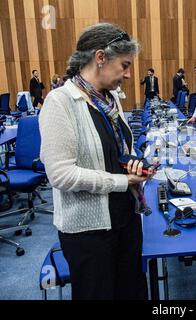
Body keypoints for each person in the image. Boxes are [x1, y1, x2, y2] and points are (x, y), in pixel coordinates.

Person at [39, 23, 154, 300]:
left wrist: (134, 163)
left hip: (126, 219)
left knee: (132, 291)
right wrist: (122, 180)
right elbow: (61, 175)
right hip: (90, 233)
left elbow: (118, 150)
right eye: (124, 65)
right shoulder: (60, 102)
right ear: (100, 57)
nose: (128, 74)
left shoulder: (109, 98)